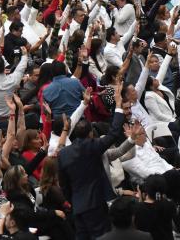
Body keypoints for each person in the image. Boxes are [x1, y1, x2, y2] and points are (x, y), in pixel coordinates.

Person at [58, 82, 126, 240]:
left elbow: (64, 184)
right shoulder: (92, 146)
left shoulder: (63, 153)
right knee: (100, 236)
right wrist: (118, 104)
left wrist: (72, 200)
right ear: (90, 134)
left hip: (77, 205)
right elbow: (115, 132)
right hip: (95, 203)